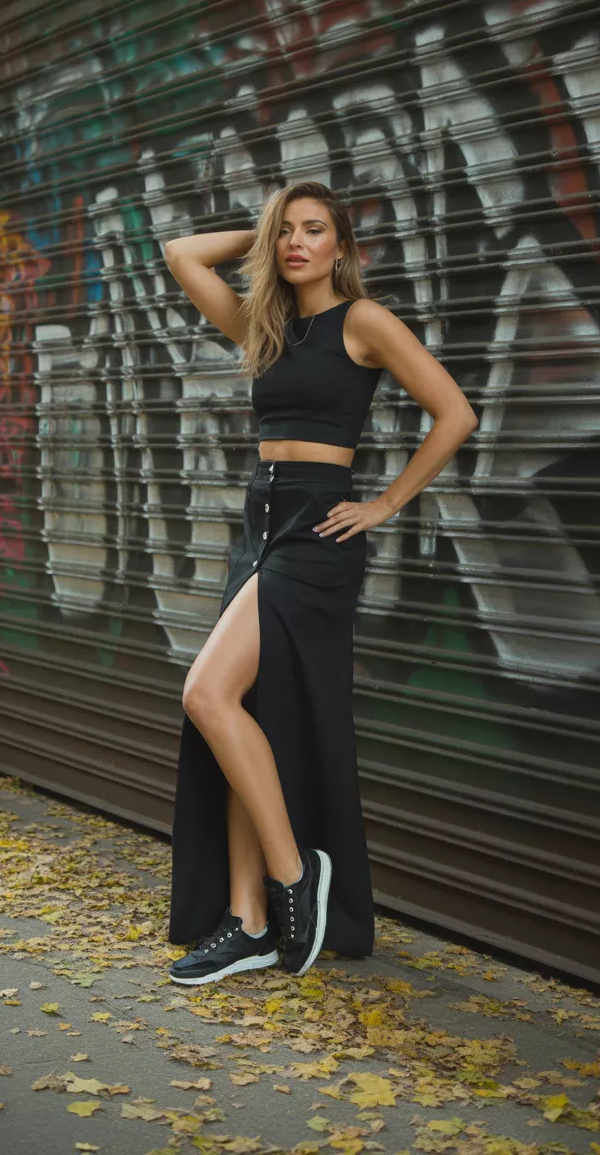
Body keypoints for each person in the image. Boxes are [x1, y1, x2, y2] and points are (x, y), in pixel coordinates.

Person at [164, 180, 477, 986]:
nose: (298, 244)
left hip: (317, 532)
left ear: (342, 244)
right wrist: (262, 235)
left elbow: (455, 412)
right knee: (241, 711)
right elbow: (180, 254)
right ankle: (249, 920)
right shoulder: (264, 326)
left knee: (205, 694)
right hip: (259, 525)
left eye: (314, 230)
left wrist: (386, 502)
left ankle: (295, 877)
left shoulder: (363, 321)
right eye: (287, 233)